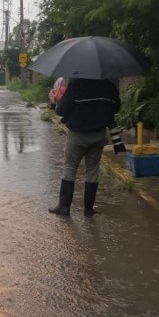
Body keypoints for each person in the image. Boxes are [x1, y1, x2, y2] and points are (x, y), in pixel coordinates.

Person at [49, 78, 120, 216]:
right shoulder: (109, 86)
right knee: (92, 171)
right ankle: (88, 209)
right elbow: (116, 108)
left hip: (77, 136)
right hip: (99, 135)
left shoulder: (76, 85)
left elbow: (62, 110)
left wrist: (55, 102)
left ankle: (64, 207)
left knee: (70, 169)